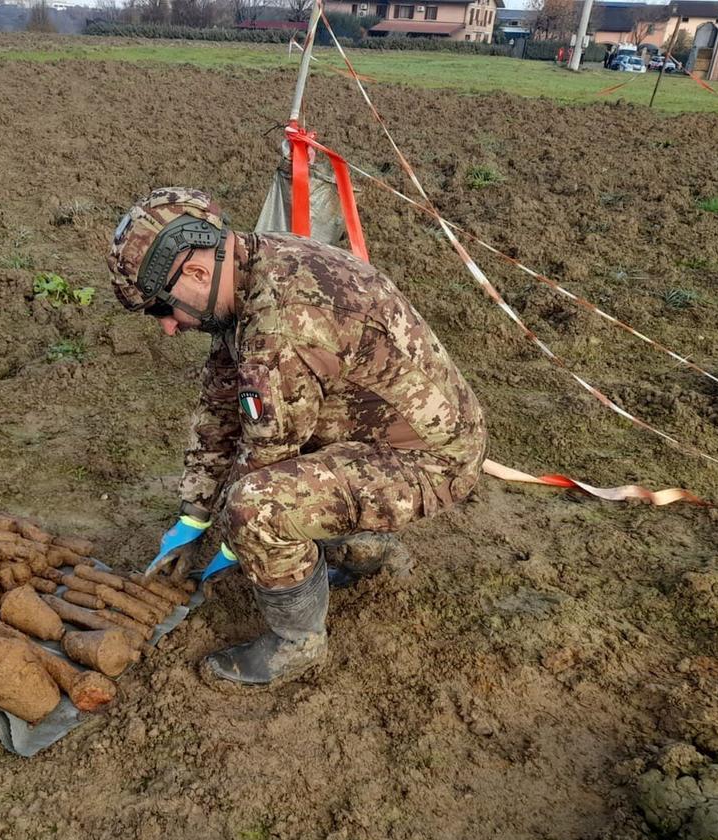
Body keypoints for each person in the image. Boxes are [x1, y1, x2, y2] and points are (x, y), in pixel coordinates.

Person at [107, 187, 487, 687]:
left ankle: (296, 641)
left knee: (258, 508)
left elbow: (264, 459)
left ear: (197, 272)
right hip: (377, 429)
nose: (168, 328)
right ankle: (364, 550)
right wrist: (192, 514)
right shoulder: (252, 265)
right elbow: (221, 409)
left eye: (163, 309)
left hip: (431, 460)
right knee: (261, 479)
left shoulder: (282, 328)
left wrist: (226, 538)